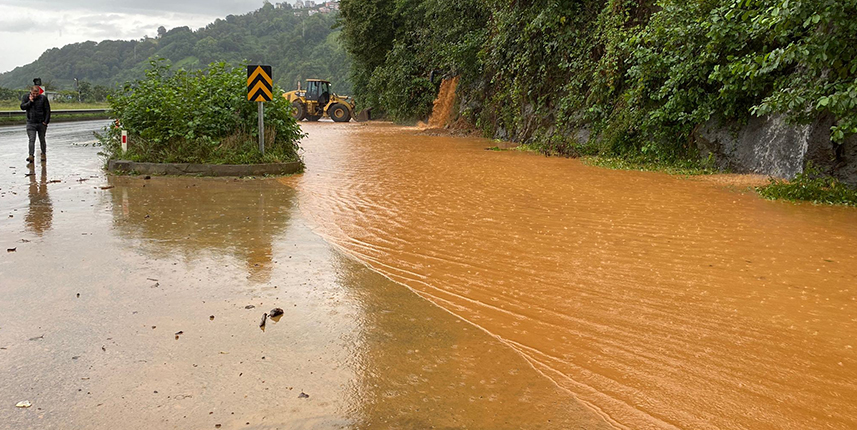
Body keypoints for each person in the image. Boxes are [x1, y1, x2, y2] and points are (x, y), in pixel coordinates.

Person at [20, 85, 51, 163]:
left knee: (42, 139)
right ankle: (31, 155)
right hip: (31, 122)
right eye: (34, 93)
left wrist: (46, 122)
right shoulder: (26, 97)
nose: (35, 95)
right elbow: (22, 107)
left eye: (37, 94)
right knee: (31, 139)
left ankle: (43, 154)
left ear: (39, 93)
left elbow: (47, 110)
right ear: (31, 92)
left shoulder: (43, 98)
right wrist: (30, 101)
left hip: (41, 123)